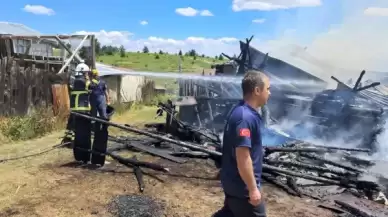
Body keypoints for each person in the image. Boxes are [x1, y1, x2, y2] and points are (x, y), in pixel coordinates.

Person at [214, 70, 271, 217]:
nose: (270, 93)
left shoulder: (243, 112)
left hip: (235, 184)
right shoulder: (244, 118)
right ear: (257, 90)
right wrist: (252, 189)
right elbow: (243, 156)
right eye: (268, 89)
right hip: (242, 188)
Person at [69, 62, 93, 163]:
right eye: (86, 73)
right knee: (86, 135)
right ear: (83, 73)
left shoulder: (73, 82)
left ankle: (78, 156)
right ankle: (86, 156)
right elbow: (93, 87)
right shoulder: (85, 83)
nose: (87, 75)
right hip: (84, 111)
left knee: (77, 135)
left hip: (75, 112)